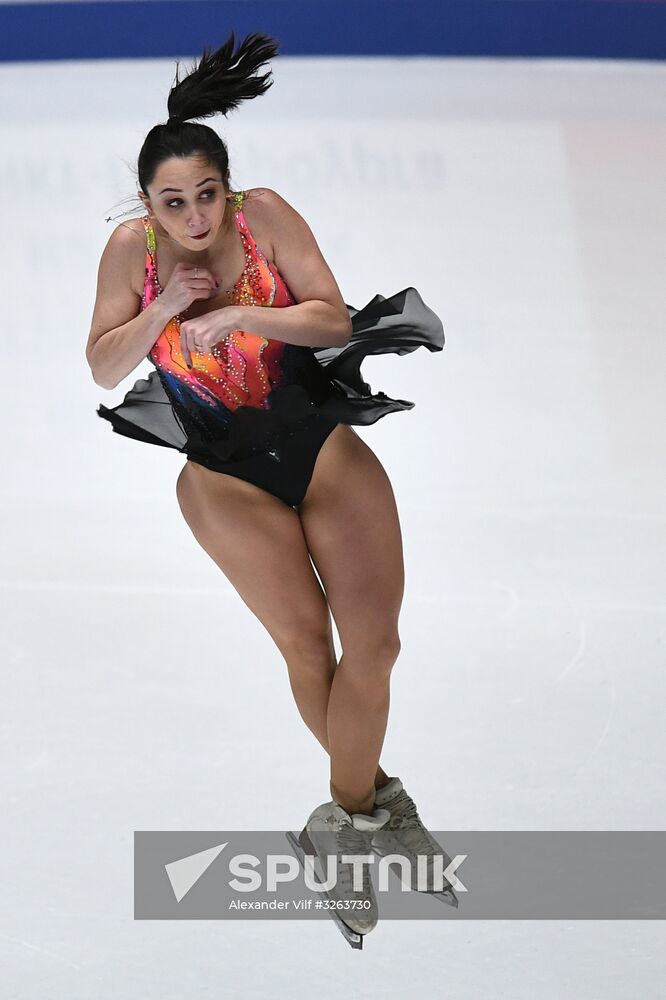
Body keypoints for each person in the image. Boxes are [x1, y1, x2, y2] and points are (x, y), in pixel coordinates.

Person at [86, 30, 452, 944]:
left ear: (229, 188)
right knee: (307, 646)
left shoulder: (266, 219)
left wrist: (247, 309)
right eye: (174, 202)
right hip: (221, 473)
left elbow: (331, 314)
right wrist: (166, 308)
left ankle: (352, 816)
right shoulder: (131, 254)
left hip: (312, 437)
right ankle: (369, 817)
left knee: (377, 647)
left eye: (206, 194)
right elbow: (101, 366)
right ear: (148, 203)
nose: (195, 217)